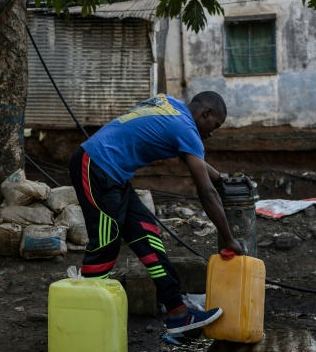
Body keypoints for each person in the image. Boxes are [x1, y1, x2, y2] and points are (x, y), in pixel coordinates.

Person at [68, 91, 244, 334]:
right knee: (106, 244)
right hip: (95, 164)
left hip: (115, 175)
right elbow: (206, 193)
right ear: (206, 113)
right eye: (214, 125)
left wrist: (219, 177)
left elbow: (188, 155)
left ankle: (177, 313)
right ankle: (83, 324)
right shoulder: (187, 130)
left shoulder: (170, 104)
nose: (212, 133)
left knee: (148, 238)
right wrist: (229, 238)